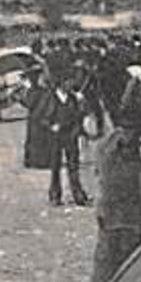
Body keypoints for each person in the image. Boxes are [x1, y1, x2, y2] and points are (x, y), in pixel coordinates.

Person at [91, 117, 141, 282]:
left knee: (122, 258)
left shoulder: (126, 154)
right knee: (110, 259)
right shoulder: (114, 153)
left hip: (127, 217)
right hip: (116, 216)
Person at [48, 76, 92, 207]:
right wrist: (51, 125)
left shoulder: (73, 98)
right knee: (55, 166)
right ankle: (55, 194)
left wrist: (82, 103)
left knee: (73, 165)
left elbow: (80, 115)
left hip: (70, 135)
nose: (71, 85)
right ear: (61, 84)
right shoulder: (51, 98)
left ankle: (77, 193)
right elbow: (43, 117)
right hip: (56, 136)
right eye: (68, 82)